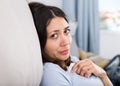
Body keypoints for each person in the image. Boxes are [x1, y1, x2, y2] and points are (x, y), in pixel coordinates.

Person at [29, 2, 113, 86]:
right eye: (54, 35)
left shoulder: (72, 60)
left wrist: (103, 75)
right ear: (40, 40)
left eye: (66, 31)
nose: (66, 42)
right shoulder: (51, 73)